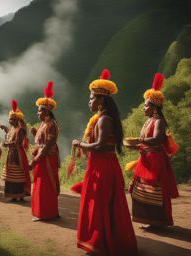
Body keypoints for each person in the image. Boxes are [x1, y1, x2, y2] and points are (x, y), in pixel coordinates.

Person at [72, 69, 137, 256]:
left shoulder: (103, 120)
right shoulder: (103, 119)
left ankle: (100, 243)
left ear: (101, 100)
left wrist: (80, 143)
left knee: (99, 205)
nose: (89, 101)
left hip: (103, 168)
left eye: (92, 98)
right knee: (102, 204)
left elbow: (100, 146)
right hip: (102, 166)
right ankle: (103, 242)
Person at [128, 73, 179, 228]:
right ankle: (147, 219)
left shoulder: (159, 122)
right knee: (139, 189)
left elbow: (157, 139)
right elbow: (147, 142)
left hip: (155, 161)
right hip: (145, 159)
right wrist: (137, 145)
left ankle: (157, 221)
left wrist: (139, 141)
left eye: (146, 105)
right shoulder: (149, 121)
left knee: (153, 191)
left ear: (154, 107)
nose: (143, 108)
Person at [30, 80, 60, 221]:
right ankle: (41, 212)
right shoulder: (44, 123)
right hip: (43, 157)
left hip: (47, 158)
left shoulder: (52, 124)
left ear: (47, 111)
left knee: (45, 186)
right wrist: (35, 133)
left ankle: (47, 213)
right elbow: (42, 141)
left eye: (40, 110)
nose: (38, 113)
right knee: (40, 184)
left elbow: (48, 145)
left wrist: (35, 160)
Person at [1, 99, 31, 202]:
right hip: (11, 153)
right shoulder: (12, 129)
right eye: (10, 119)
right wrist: (6, 130)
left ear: (17, 120)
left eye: (12, 119)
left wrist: (6, 144)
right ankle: (13, 195)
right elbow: (10, 137)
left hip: (18, 154)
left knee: (17, 174)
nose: (10, 121)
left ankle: (20, 194)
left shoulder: (20, 130)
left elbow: (18, 143)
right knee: (11, 174)